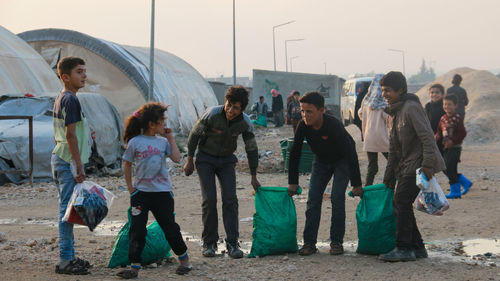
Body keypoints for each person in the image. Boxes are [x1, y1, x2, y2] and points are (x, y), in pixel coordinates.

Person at [184, 85, 261, 259]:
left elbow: (252, 149)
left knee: (230, 199)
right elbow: (194, 135)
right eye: (229, 104)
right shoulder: (212, 114)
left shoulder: (245, 123)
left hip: (226, 161)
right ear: (225, 101)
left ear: (241, 109)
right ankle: (209, 243)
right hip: (205, 159)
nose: (231, 110)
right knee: (209, 199)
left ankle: (233, 243)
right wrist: (189, 159)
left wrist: (254, 175)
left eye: (236, 108)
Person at [118, 102, 192, 278]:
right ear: (152, 124)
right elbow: (127, 165)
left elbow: (176, 158)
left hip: (162, 194)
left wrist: (171, 138)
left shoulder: (163, 142)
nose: (164, 126)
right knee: (137, 230)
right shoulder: (135, 142)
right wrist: (131, 188)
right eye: (162, 122)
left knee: (170, 228)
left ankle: (185, 261)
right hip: (141, 195)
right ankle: (134, 267)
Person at [378, 71, 445, 262]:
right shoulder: (394, 112)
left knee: (401, 202)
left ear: (400, 90)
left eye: (388, 90)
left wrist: (427, 165)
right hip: (405, 166)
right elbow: (393, 147)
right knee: (401, 203)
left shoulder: (411, 108)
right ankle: (417, 248)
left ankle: (404, 248)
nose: (385, 94)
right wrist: (388, 176)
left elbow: (427, 138)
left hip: (418, 166)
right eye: (383, 91)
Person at [288, 92, 363, 256]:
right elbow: (294, 153)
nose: (305, 115)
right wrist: (292, 181)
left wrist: (356, 184)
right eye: (303, 111)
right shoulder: (303, 126)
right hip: (321, 161)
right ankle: (309, 243)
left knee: (337, 198)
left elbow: (350, 152)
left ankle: (336, 242)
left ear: (321, 110)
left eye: (310, 112)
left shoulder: (333, 125)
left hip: (341, 161)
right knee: (313, 199)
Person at [51, 57, 92, 275]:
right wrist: (78, 165)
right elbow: (70, 135)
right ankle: (65, 260)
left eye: (85, 71)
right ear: (65, 77)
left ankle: (70, 255)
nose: (84, 75)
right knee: (67, 211)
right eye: (79, 72)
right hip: (67, 161)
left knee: (69, 209)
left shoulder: (62, 97)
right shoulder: (71, 99)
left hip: (60, 158)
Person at [435, 95, 472, 199]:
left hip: (455, 148)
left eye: (449, 104)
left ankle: (455, 191)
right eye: (445, 104)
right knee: (446, 168)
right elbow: (439, 129)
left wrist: (453, 141)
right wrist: (437, 136)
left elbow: (462, 133)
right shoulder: (443, 118)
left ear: (455, 105)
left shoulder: (457, 118)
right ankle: (465, 182)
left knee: (450, 168)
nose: (447, 106)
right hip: (445, 147)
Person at [358, 74, 389, 186]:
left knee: (372, 167)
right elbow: (388, 119)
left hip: (369, 138)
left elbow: (360, 113)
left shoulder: (366, 100)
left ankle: (367, 189)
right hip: (382, 138)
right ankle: (388, 186)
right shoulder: (384, 103)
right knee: (393, 164)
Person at [424, 84, 446, 154]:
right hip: (431, 137)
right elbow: (425, 121)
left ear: (442, 94)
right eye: (432, 92)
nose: (434, 94)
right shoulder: (428, 106)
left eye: (437, 92)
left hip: (443, 138)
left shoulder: (445, 106)